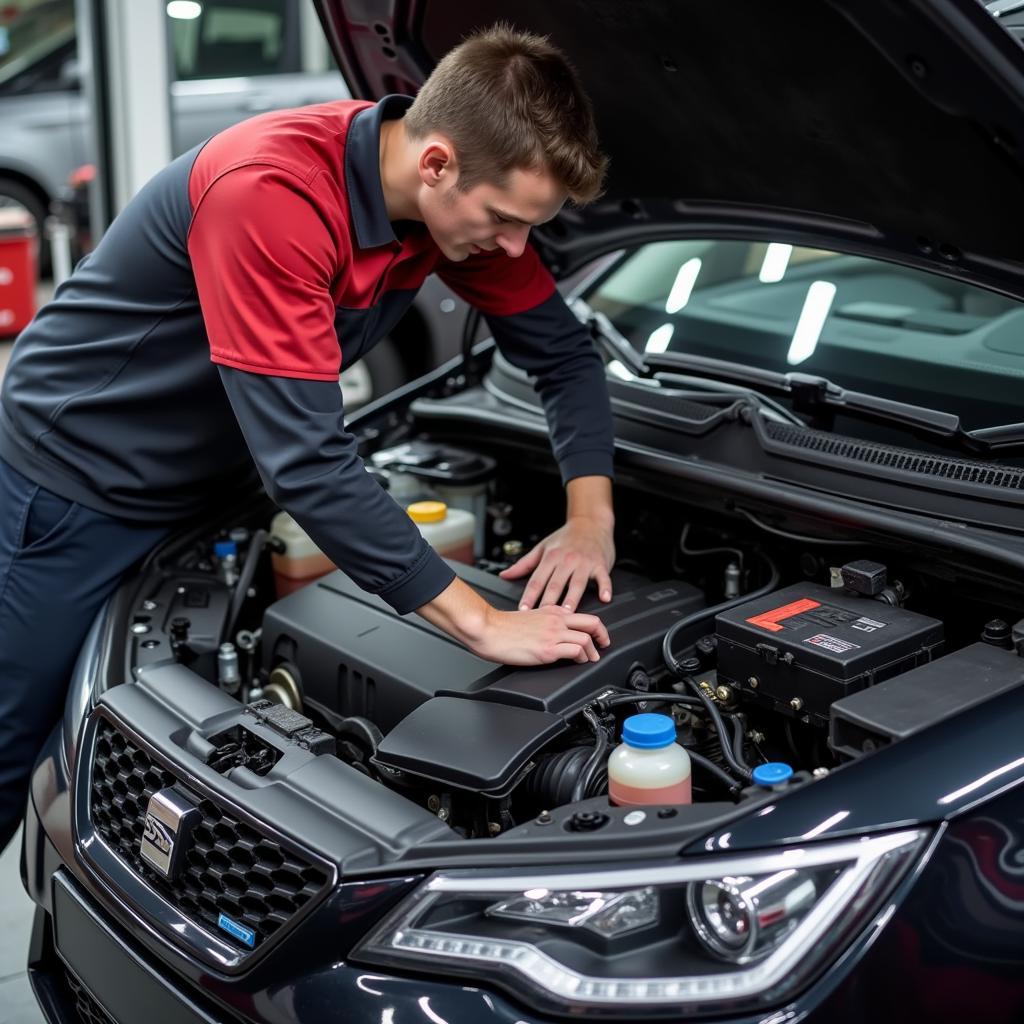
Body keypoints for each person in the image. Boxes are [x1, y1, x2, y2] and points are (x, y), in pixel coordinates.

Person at [0, 24, 616, 852]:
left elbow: (566, 358)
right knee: (12, 742)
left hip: (216, 484)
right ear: (434, 162)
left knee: (126, 752)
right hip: (74, 485)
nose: (513, 248)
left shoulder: (456, 204)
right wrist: (480, 625)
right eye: (506, 220)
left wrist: (590, 522)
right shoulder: (273, 193)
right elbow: (309, 463)